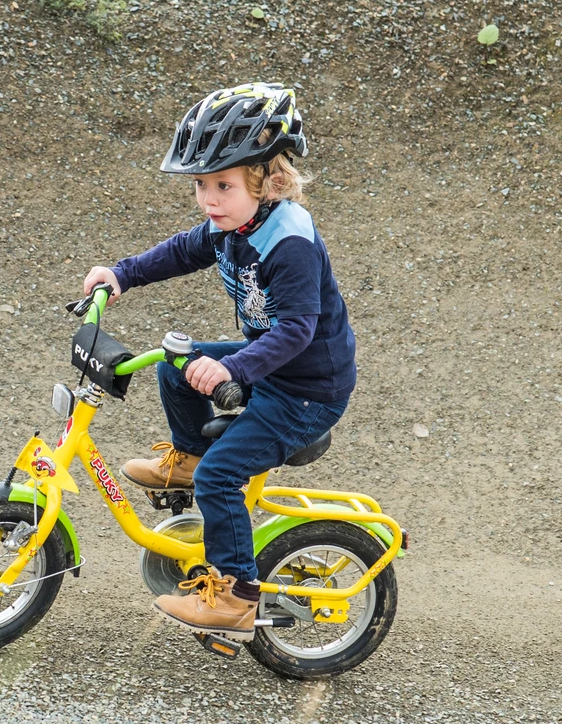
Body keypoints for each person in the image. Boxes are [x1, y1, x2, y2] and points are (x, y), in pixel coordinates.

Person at [82, 82, 357, 640]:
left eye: (223, 185)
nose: (209, 199)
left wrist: (234, 369)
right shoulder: (233, 223)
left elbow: (298, 329)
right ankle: (186, 457)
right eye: (202, 185)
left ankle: (235, 597)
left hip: (307, 388)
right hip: (271, 367)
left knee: (221, 475)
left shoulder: (290, 242)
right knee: (174, 364)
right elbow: (184, 250)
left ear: (269, 179)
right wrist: (122, 274)